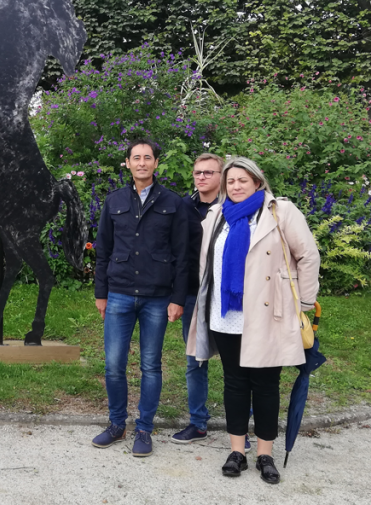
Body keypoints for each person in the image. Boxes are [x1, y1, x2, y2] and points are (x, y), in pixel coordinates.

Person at [186, 156, 320, 484]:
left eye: (242, 180)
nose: (235, 186)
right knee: (234, 382)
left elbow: (308, 255)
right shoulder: (216, 216)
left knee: (265, 385)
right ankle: (236, 452)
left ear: (257, 182)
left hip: (267, 314)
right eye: (231, 181)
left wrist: (304, 301)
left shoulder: (280, 212)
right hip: (227, 315)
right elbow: (205, 264)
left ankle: (265, 454)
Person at [92, 139, 189, 458]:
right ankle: (117, 425)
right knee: (114, 365)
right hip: (118, 294)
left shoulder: (173, 203)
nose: (142, 162)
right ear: (128, 163)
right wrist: (101, 292)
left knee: (151, 365)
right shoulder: (114, 200)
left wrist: (177, 298)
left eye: (148, 158)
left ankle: (144, 429)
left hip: (157, 298)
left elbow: (181, 254)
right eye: (137, 158)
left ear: (156, 164)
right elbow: (102, 249)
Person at [171, 152, 224, 444]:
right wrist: (177, 297)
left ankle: (244, 425)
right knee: (195, 361)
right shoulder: (184, 207)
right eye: (198, 173)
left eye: (208, 173)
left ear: (221, 176)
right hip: (192, 295)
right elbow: (179, 255)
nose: (202, 177)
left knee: (237, 364)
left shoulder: (232, 207)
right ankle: (198, 422)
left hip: (226, 297)